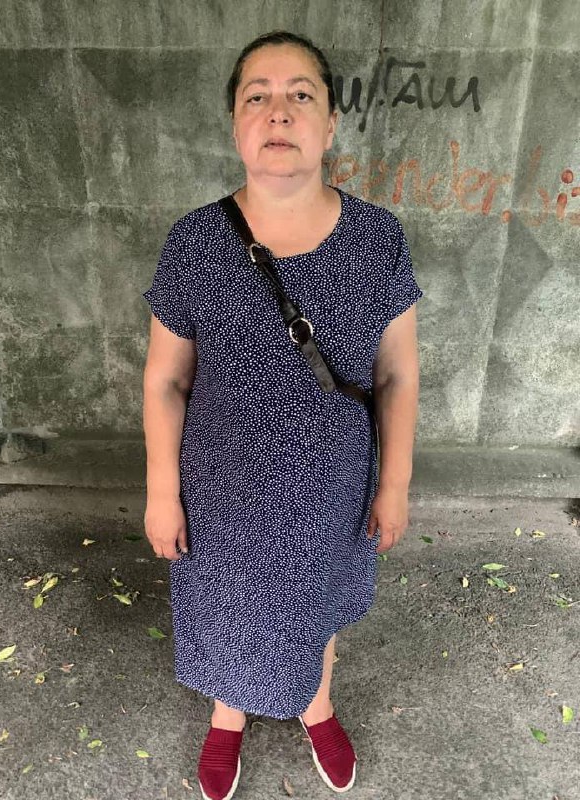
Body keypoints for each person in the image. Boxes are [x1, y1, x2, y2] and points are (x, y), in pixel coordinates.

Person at [142, 29, 423, 800]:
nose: (279, 110)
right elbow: (165, 379)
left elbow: (398, 372)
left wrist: (394, 483)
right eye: (257, 96)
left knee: (315, 598)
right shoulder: (195, 242)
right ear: (235, 123)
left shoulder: (377, 239)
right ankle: (227, 715)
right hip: (220, 486)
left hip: (332, 484)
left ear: (330, 124)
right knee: (224, 601)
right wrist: (162, 491)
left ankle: (315, 703)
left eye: (301, 94)